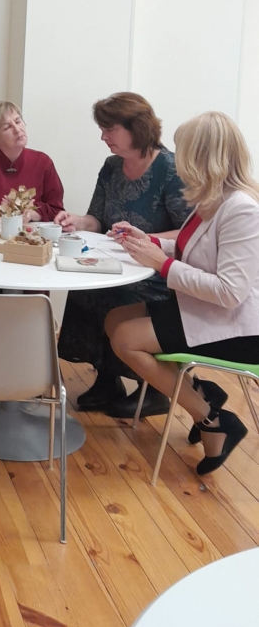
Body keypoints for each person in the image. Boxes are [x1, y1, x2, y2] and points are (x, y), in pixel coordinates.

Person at [106, 112, 259, 476]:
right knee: (115, 319)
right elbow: (193, 248)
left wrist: (162, 264)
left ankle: (212, 419)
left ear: (202, 155)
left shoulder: (242, 210)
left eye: (183, 150)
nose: (176, 160)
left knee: (126, 339)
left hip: (239, 330)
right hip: (207, 311)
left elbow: (230, 292)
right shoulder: (213, 199)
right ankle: (200, 391)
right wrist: (147, 240)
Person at [55, 93, 187, 417]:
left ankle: (154, 389)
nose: (103, 137)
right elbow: (97, 219)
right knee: (85, 288)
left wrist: (145, 239)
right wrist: (76, 221)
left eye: (109, 129)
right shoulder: (112, 166)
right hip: (117, 260)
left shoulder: (171, 170)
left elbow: (189, 234)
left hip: (155, 270)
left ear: (136, 128)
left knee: (122, 293)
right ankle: (107, 379)